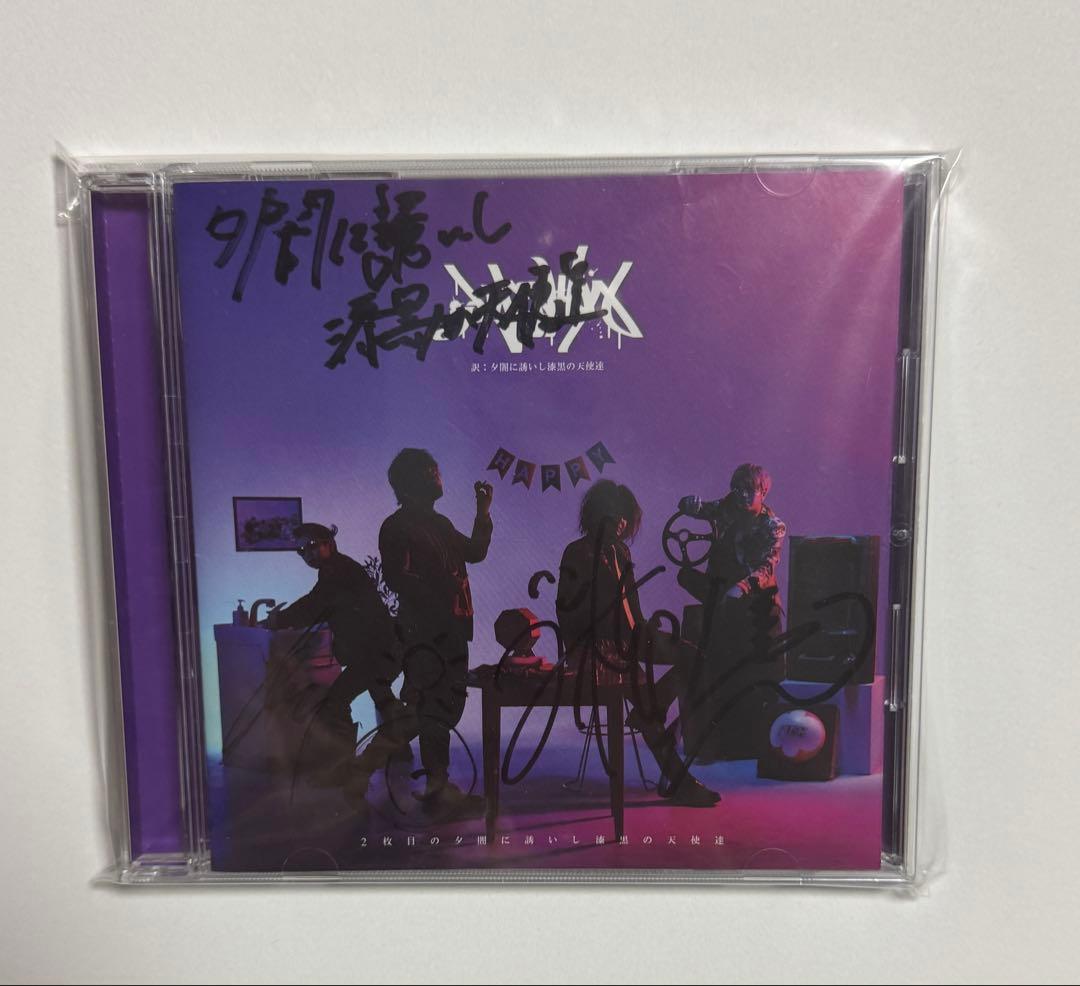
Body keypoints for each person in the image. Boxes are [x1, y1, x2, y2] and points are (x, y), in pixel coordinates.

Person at [556, 480, 720, 807]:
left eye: (624, 516)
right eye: (614, 514)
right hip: (598, 648)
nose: (621, 522)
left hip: (632, 638)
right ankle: (681, 781)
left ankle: (655, 705)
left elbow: (633, 607)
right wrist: (586, 652)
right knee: (646, 711)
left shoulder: (621, 551)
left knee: (696, 657)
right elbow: (565, 612)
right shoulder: (577, 553)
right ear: (597, 514)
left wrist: (647, 632)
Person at [378, 448, 494, 817]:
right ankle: (432, 787)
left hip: (452, 628)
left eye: (436, 470)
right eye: (431, 471)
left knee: (441, 707)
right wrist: (440, 591)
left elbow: (474, 552)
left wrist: (483, 512)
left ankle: (433, 785)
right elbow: (397, 578)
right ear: (412, 481)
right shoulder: (397, 526)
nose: (438, 477)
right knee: (433, 709)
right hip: (428, 632)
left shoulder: (439, 523)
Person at [266, 522, 405, 794]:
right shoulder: (337, 569)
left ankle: (343, 771)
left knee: (335, 702)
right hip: (382, 649)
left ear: (329, 542)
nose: (307, 554)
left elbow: (314, 604)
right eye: (301, 551)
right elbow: (322, 604)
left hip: (376, 652)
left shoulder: (337, 571)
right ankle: (399, 753)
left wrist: (278, 619)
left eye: (311, 546)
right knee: (383, 699)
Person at [677, 463, 787, 760]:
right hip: (725, 604)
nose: (741, 495)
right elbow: (703, 509)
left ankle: (752, 745)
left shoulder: (773, 526)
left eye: (748, 490)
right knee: (719, 671)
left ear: (763, 492)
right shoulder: (727, 507)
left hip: (758, 609)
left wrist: (742, 586)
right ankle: (717, 744)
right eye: (737, 489)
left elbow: (767, 565)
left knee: (751, 676)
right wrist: (688, 505)